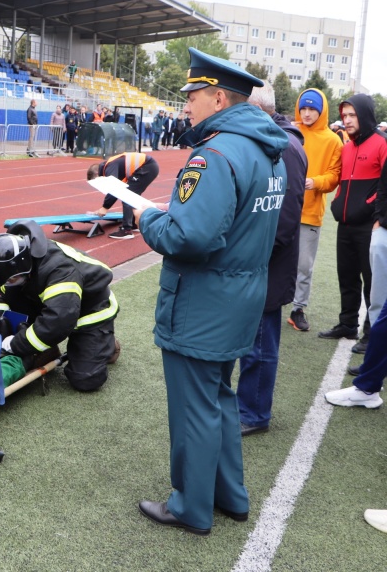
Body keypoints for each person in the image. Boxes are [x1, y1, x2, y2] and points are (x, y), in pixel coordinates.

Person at [133, 48, 287, 536]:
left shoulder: (216, 153)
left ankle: (191, 507)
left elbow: (189, 237)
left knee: (194, 408)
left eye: (193, 96)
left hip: (204, 300)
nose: (187, 106)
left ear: (218, 98)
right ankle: (230, 497)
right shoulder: (269, 149)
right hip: (241, 294)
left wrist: (148, 218)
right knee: (219, 398)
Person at [236, 81, 307, 436]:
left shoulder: (287, 147)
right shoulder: (275, 139)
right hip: (260, 262)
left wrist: (254, 255)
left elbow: (285, 217)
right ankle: (248, 406)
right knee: (253, 339)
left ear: (257, 109)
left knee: (261, 343)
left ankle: (253, 412)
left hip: (268, 264)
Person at [0, 220, 119, 391]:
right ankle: (47, 348)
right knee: (11, 321)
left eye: (11, 280)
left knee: (85, 379)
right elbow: (7, 297)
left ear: (25, 267)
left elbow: (58, 322)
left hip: (90, 311)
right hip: (55, 305)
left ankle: (108, 345)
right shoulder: (16, 268)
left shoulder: (59, 270)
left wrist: (16, 344)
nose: (8, 283)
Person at [318, 94, 387, 356]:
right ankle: (348, 324)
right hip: (345, 224)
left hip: (370, 226)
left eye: (352, 115)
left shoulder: (382, 144)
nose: (346, 120)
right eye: (344, 115)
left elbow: (384, 187)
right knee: (346, 277)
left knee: (373, 283)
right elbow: (343, 184)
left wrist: (373, 213)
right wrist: (338, 204)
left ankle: (371, 334)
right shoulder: (346, 147)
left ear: (365, 115)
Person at [287, 89, 342, 334]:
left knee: (304, 266)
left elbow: (334, 176)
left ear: (321, 112)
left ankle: (298, 309)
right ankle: (266, 303)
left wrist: (315, 182)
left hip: (310, 212)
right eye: (304, 108)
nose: (307, 113)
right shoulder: (290, 132)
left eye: (312, 109)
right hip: (282, 209)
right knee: (272, 257)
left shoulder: (333, 140)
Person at [87, 152, 160, 240]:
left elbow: (113, 187)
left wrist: (105, 207)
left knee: (127, 197)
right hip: (148, 166)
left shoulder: (109, 167)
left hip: (146, 166)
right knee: (132, 196)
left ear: (96, 174)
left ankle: (126, 230)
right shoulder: (110, 165)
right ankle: (134, 224)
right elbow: (116, 190)